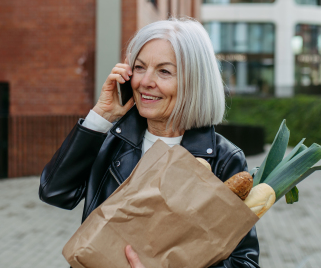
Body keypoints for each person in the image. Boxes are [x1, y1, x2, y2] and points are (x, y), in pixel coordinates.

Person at [39, 17, 260, 267]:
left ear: (194, 82)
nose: (145, 82)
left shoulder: (223, 160)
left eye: (164, 71)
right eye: (140, 67)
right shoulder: (112, 140)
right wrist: (101, 117)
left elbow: (244, 262)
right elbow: (55, 192)